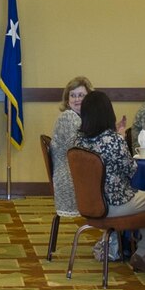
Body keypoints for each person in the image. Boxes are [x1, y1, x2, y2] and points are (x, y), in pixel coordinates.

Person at [73, 91, 145, 275]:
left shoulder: (77, 141)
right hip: (116, 204)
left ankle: (139, 249)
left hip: (88, 204)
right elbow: (131, 169)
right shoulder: (113, 141)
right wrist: (120, 137)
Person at [49, 77, 92, 217]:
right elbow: (83, 148)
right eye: (72, 95)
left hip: (78, 174)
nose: (76, 99)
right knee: (118, 187)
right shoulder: (68, 118)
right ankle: (116, 235)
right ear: (67, 100)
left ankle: (115, 234)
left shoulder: (81, 118)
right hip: (70, 180)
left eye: (81, 95)